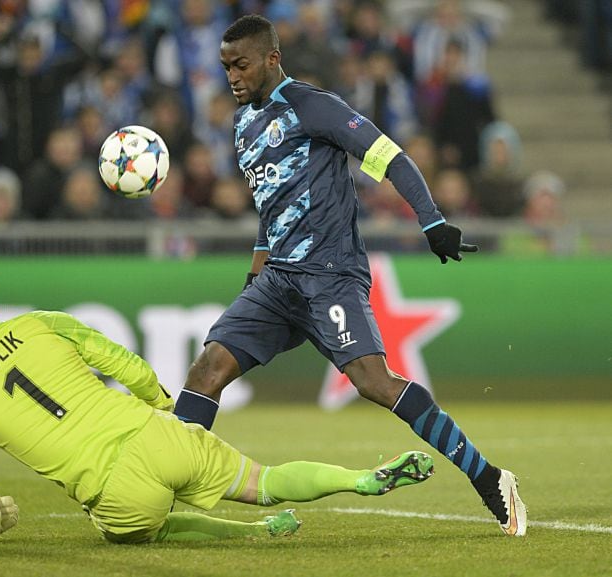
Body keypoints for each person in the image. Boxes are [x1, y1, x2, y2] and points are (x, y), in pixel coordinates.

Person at [172, 14, 527, 537]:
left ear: (272, 58)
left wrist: (431, 221)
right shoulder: (244, 123)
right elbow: (272, 213)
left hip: (330, 276)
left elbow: (391, 156)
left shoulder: (314, 106)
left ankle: (490, 478)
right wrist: (254, 279)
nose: (232, 75)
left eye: (241, 64)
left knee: (375, 383)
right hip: (276, 283)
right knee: (206, 370)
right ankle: (168, 481)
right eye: (226, 66)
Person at [0, 255, 435, 544]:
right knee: (268, 480)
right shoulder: (42, 324)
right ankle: (361, 479)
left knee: (132, 532)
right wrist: (167, 413)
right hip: (155, 433)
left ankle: (253, 534)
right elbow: (127, 367)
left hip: (112, 489)